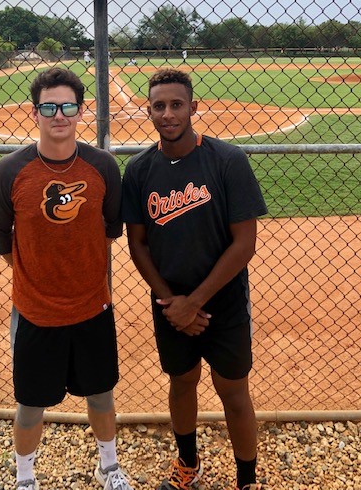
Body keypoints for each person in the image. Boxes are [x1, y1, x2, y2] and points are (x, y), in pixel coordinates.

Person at [0, 67, 133, 490]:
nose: (59, 115)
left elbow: (110, 229)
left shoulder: (101, 165)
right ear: (35, 112)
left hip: (92, 305)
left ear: (80, 110)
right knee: (31, 403)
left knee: (101, 395)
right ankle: (26, 477)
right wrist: (42, 284)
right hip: (35, 312)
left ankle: (108, 467)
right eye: (49, 106)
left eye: (68, 106)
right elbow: (3, 242)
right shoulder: (9, 171)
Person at [122, 69, 267, 490]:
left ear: (193, 108)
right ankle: (188, 463)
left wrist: (195, 302)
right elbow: (138, 246)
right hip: (169, 303)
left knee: (232, 390)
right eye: (159, 106)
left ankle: (247, 480)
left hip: (222, 300)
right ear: (148, 111)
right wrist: (173, 303)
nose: (168, 114)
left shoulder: (227, 161)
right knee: (182, 382)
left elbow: (244, 244)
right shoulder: (139, 169)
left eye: (176, 104)